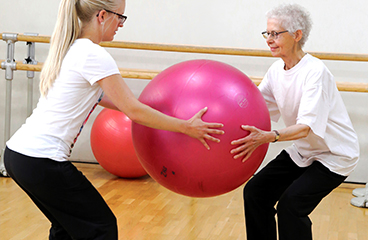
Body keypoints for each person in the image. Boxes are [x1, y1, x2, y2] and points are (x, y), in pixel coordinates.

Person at [4, 0, 224, 239]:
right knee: (102, 226)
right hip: (42, 160)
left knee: (66, 229)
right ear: (101, 16)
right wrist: (185, 127)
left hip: (19, 156)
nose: (120, 24)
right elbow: (133, 111)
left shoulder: (72, 48)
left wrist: (172, 110)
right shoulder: (94, 54)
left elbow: (115, 100)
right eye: (120, 17)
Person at [230, 3, 359, 240]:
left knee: (291, 206)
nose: (269, 39)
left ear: (297, 35)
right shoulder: (275, 71)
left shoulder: (315, 72)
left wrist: (269, 136)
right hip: (305, 151)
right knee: (255, 192)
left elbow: (305, 128)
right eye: (267, 33)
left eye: (276, 33)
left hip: (334, 155)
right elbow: (255, 108)